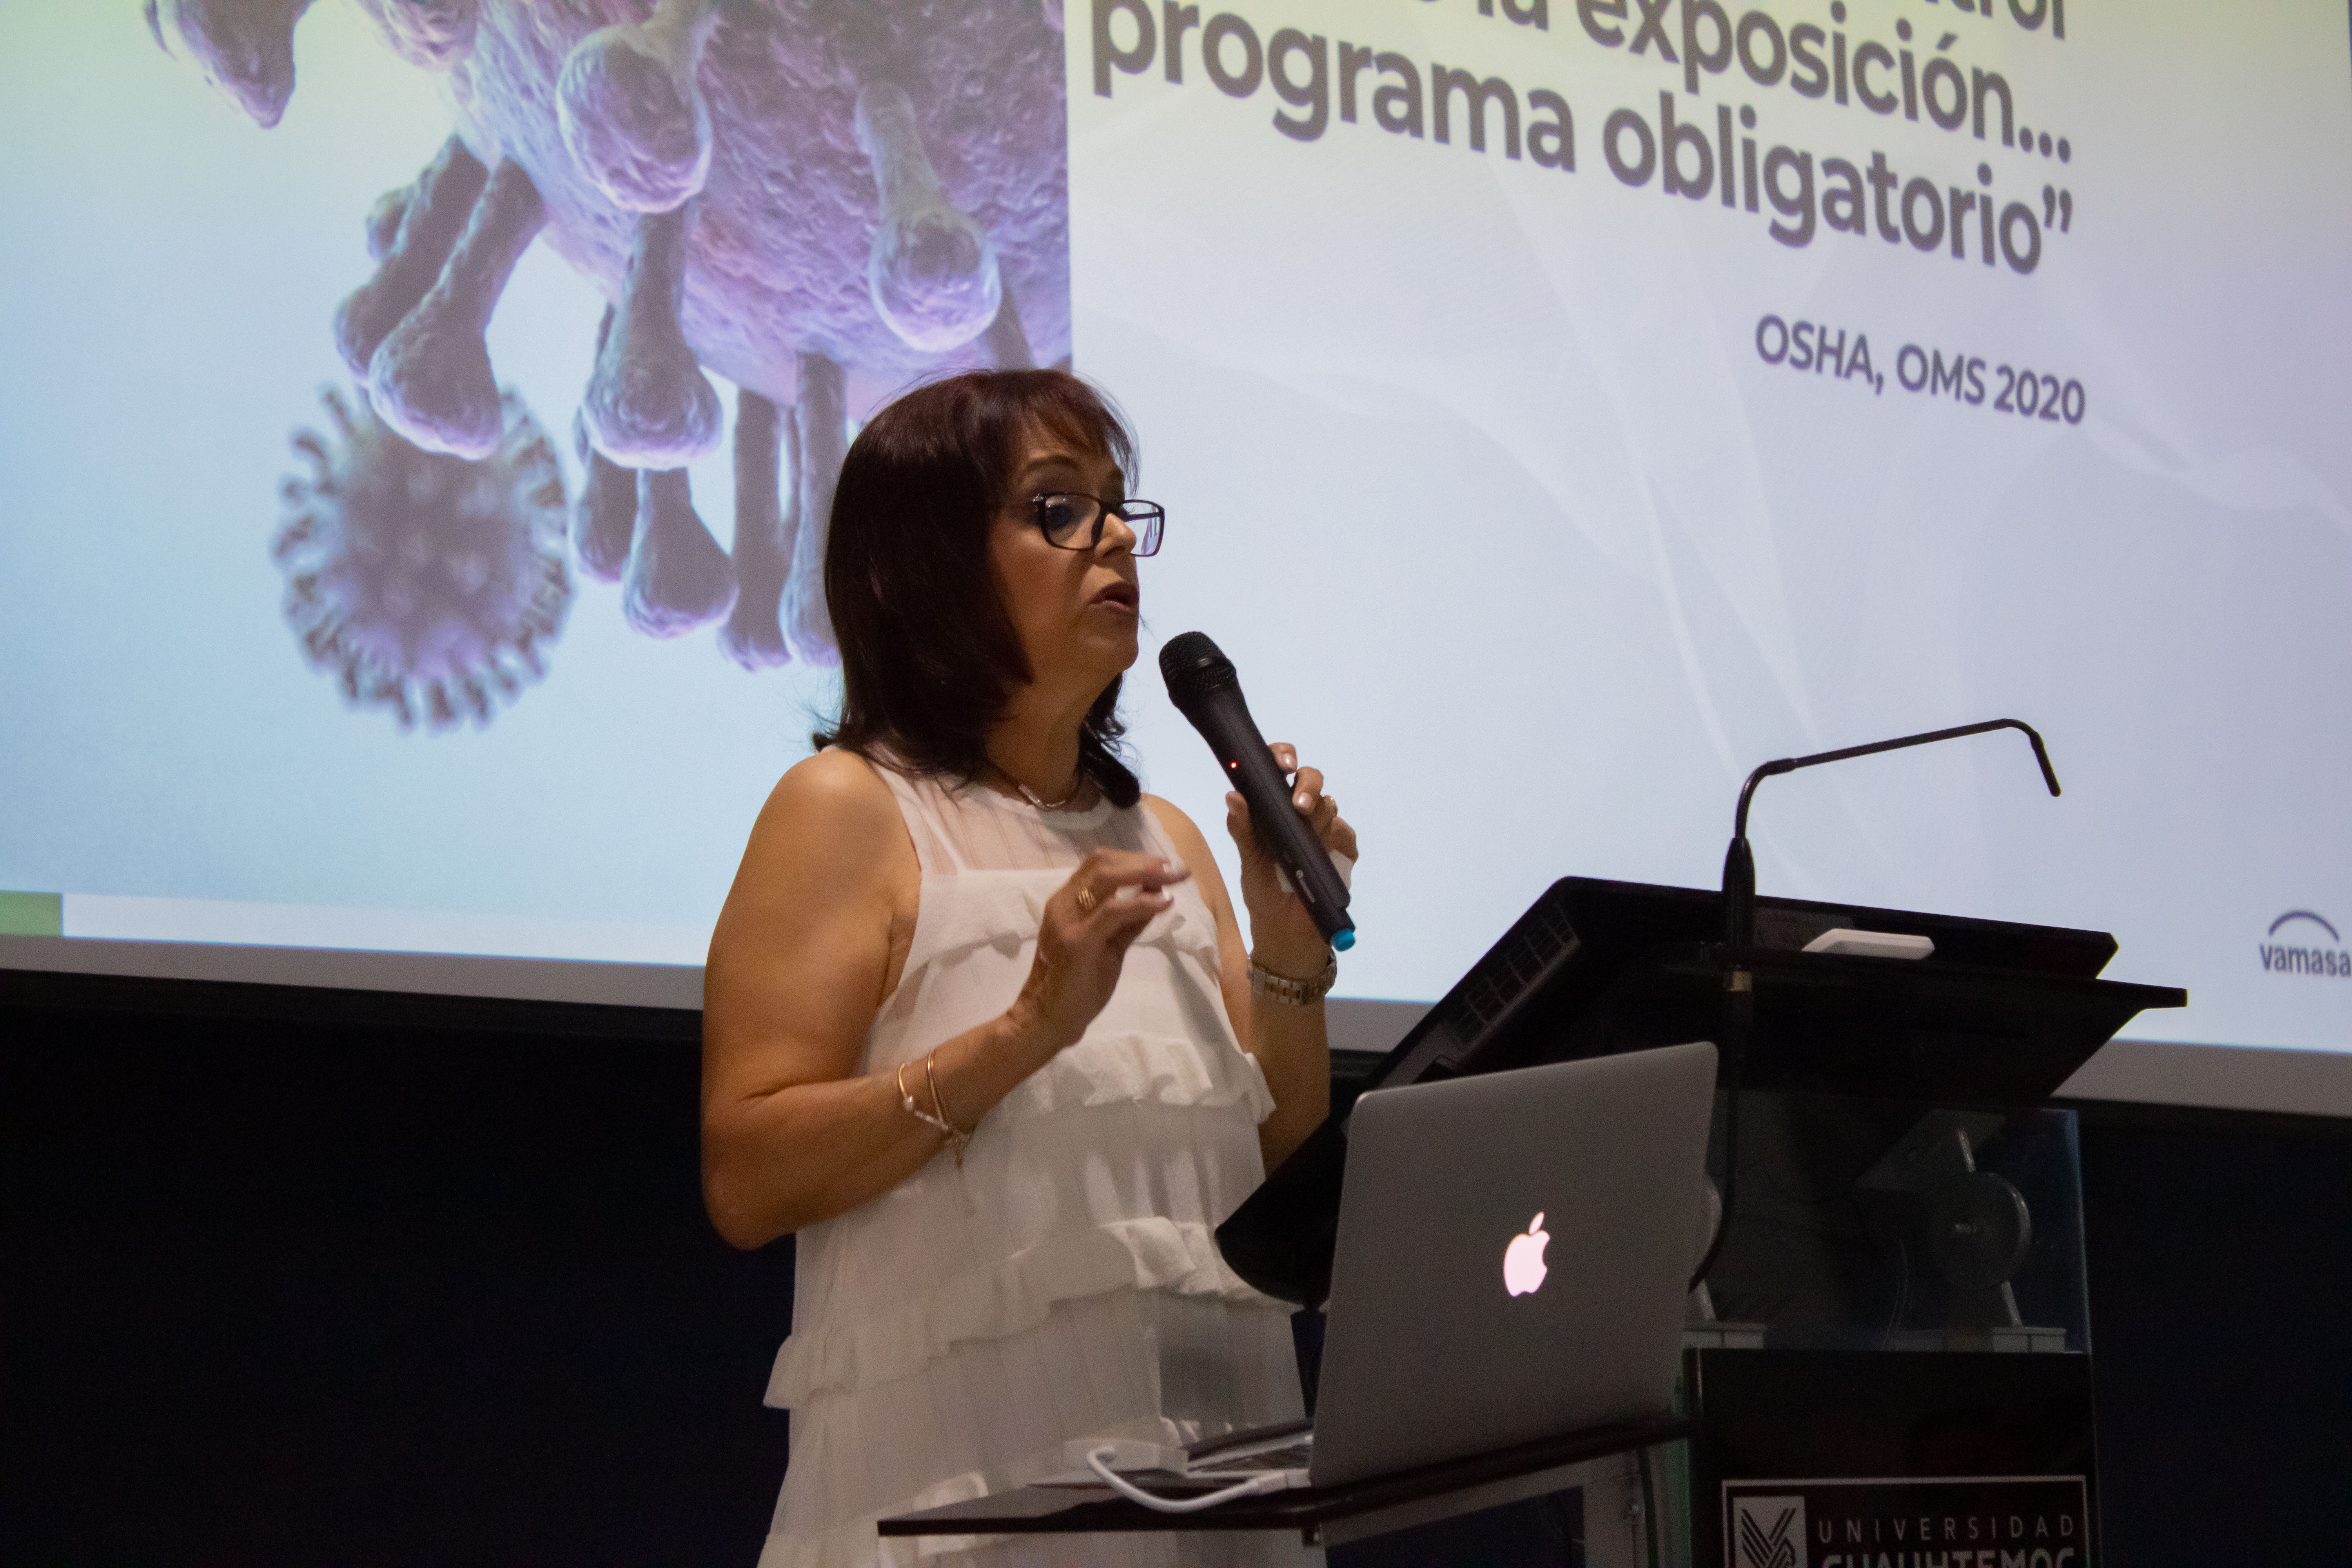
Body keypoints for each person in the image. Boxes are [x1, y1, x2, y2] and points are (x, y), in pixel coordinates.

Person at [701, 368, 1358, 1567]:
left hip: (1217, 1505)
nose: (1113, 536)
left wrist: (1289, 956)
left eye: (1118, 506)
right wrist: (1027, 1031)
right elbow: (747, 1174)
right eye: (1059, 509)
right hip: (971, 1514)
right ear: (926, 568)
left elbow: (1276, 1172)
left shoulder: (1167, 839)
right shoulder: (848, 812)